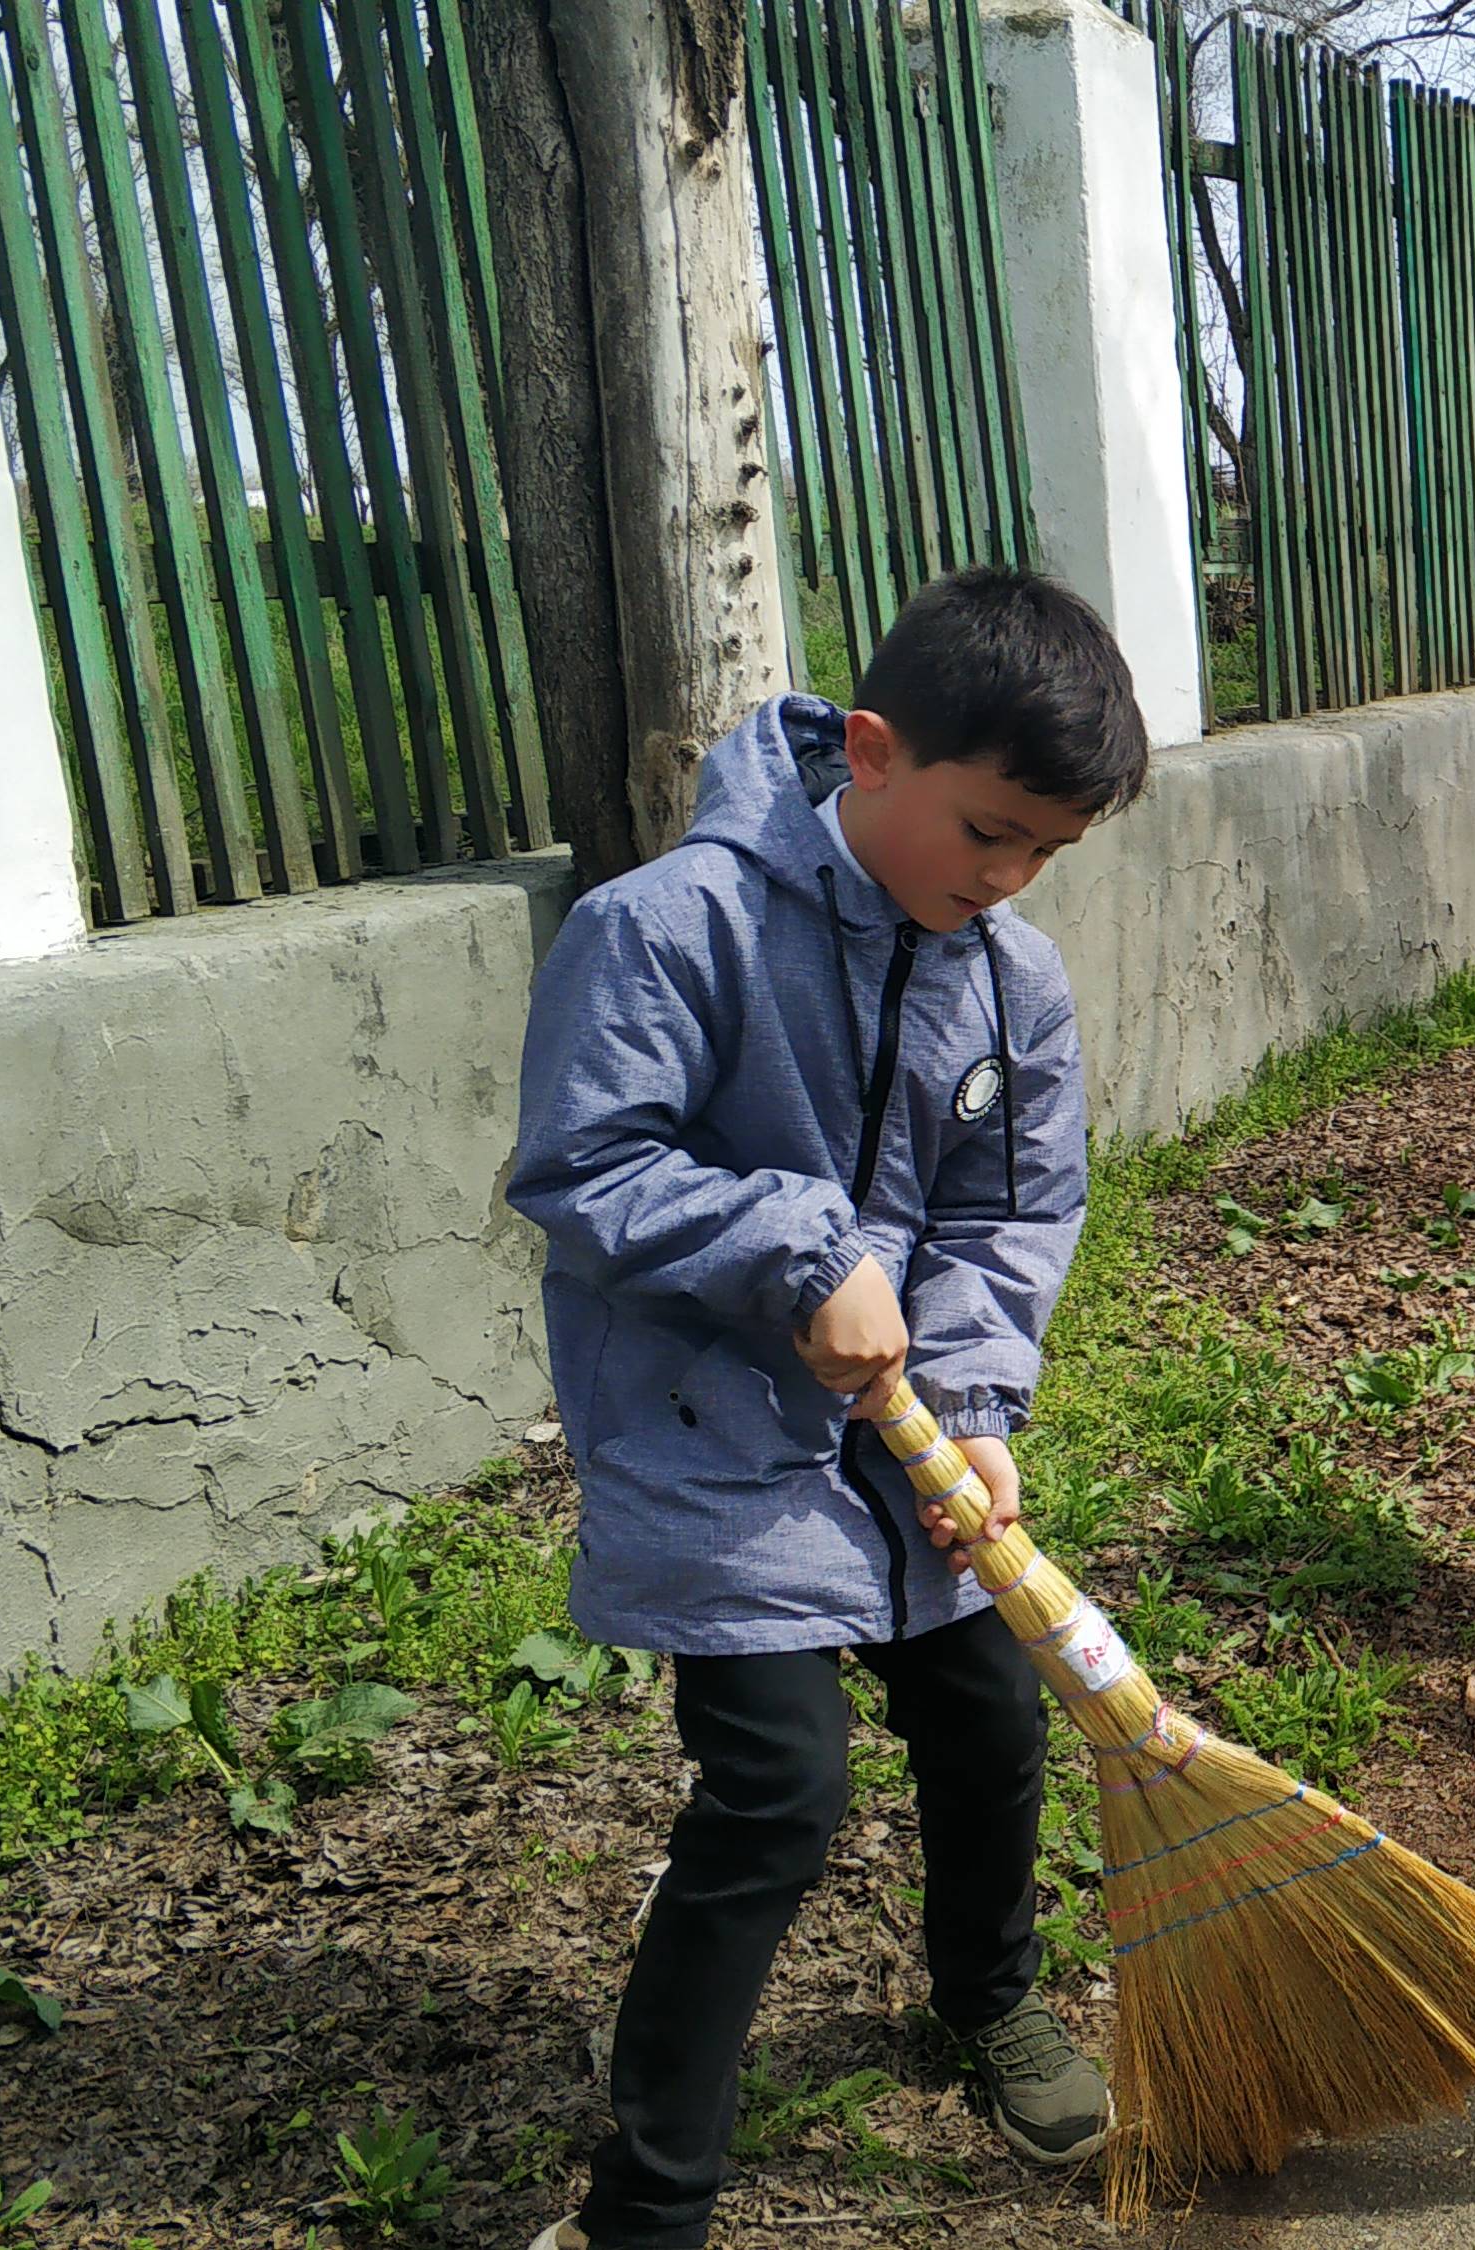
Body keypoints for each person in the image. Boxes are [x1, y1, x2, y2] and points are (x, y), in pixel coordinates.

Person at [507, 569, 1152, 2250]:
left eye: (1043, 857)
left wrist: (978, 1396)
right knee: (780, 1789)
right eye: (989, 833)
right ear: (870, 752)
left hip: (905, 1432)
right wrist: (800, 1252)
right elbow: (586, 1168)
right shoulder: (666, 927)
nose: (1006, 881)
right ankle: (651, 2195)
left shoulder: (1011, 977)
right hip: (711, 1429)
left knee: (991, 1718)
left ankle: (988, 1997)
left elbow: (1017, 1211)